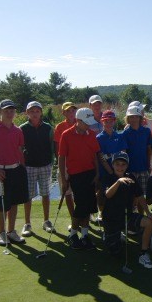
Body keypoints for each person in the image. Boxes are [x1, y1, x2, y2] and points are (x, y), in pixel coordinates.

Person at [0, 99, 28, 246]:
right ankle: (1, 233)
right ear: (0, 112)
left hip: (16, 170)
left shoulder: (18, 130)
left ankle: (11, 232)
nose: (9, 113)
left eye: (12, 111)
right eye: (6, 111)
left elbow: (19, 150)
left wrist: (23, 168)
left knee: (14, 203)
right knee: (3, 205)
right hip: (1, 172)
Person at [103, 152, 152, 268]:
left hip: (127, 216)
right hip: (111, 220)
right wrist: (118, 182)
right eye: (117, 164)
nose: (120, 167)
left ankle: (143, 253)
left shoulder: (131, 177)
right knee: (115, 253)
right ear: (112, 165)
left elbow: (140, 196)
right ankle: (114, 236)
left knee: (149, 222)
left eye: (123, 164)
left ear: (127, 166)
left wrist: (147, 212)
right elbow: (107, 194)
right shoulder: (108, 177)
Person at [58, 107, 100, 250]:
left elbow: (95, 155)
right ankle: (73, 235)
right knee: (81, 206)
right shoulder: (66, 135)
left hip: (90, 174)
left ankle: (85, 235)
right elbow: (61, 157)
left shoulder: (91, 134)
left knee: (89, 206)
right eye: (86, 123)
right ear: (78, 120)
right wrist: (64, 179)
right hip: (76, 175)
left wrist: (97, 174)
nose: (89, 125)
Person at [20, 101, 55, 237]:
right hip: (29, 166)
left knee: (45, 194)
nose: (35, 114)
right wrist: (22, 164)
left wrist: (51, 162)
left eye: (37, 111)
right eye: (32, 111)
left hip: (45, 165)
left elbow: (52, 146)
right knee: (28, 196)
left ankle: (46, 221)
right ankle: (27, 224)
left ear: (41, 112)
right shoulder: (22, 128)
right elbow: (20, 148)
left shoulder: (48, 127)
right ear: (27, 113)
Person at [96, 110, 128, 220]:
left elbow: (123, 153)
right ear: (102, 122)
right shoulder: (99, 138)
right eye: (106, 121)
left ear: (114, 121)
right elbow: (101, 158)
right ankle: (101, 213)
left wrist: (117, 171)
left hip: (119, 171)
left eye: (111, 121)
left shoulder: (119, 136)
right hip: (105, 172)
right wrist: (111, 172)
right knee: (103, 194)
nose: (109, 123)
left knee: (118, 194)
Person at [52, 102, 77, 222]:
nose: (71, 113)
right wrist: (62, 166)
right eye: (68, 111)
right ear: (63, 113)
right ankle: (73, 219)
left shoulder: (80, 123)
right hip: (65, 163)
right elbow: (58, 149)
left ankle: (81, 216)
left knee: (79, 192)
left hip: (79, 163)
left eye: (73, 110)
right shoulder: (60, 127)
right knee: (67, 192)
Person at [122, 104, 152, 196]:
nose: (134, 119)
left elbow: (149, 150)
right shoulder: (125, 134)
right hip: (130, 169)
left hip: (143, 168)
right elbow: (124, 153)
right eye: (131, 117)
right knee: (131, 196)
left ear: (140, 118)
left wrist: (149, 164)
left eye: (136, 117)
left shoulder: (146, 131)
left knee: (143, 196)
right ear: (128, 118)